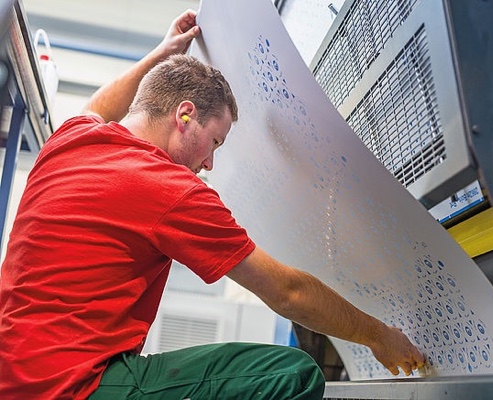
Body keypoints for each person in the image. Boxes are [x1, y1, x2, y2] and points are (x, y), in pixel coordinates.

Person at [0, 9, 425, 399]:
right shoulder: (168, 188)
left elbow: (99, 106)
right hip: (73, 387)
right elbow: (287, 293)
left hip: (12, 378)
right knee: (291, 374)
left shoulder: (71, 138)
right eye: (215, 142)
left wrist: (163, 53)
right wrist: (378, 335)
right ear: (184, 115)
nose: (209, 163)